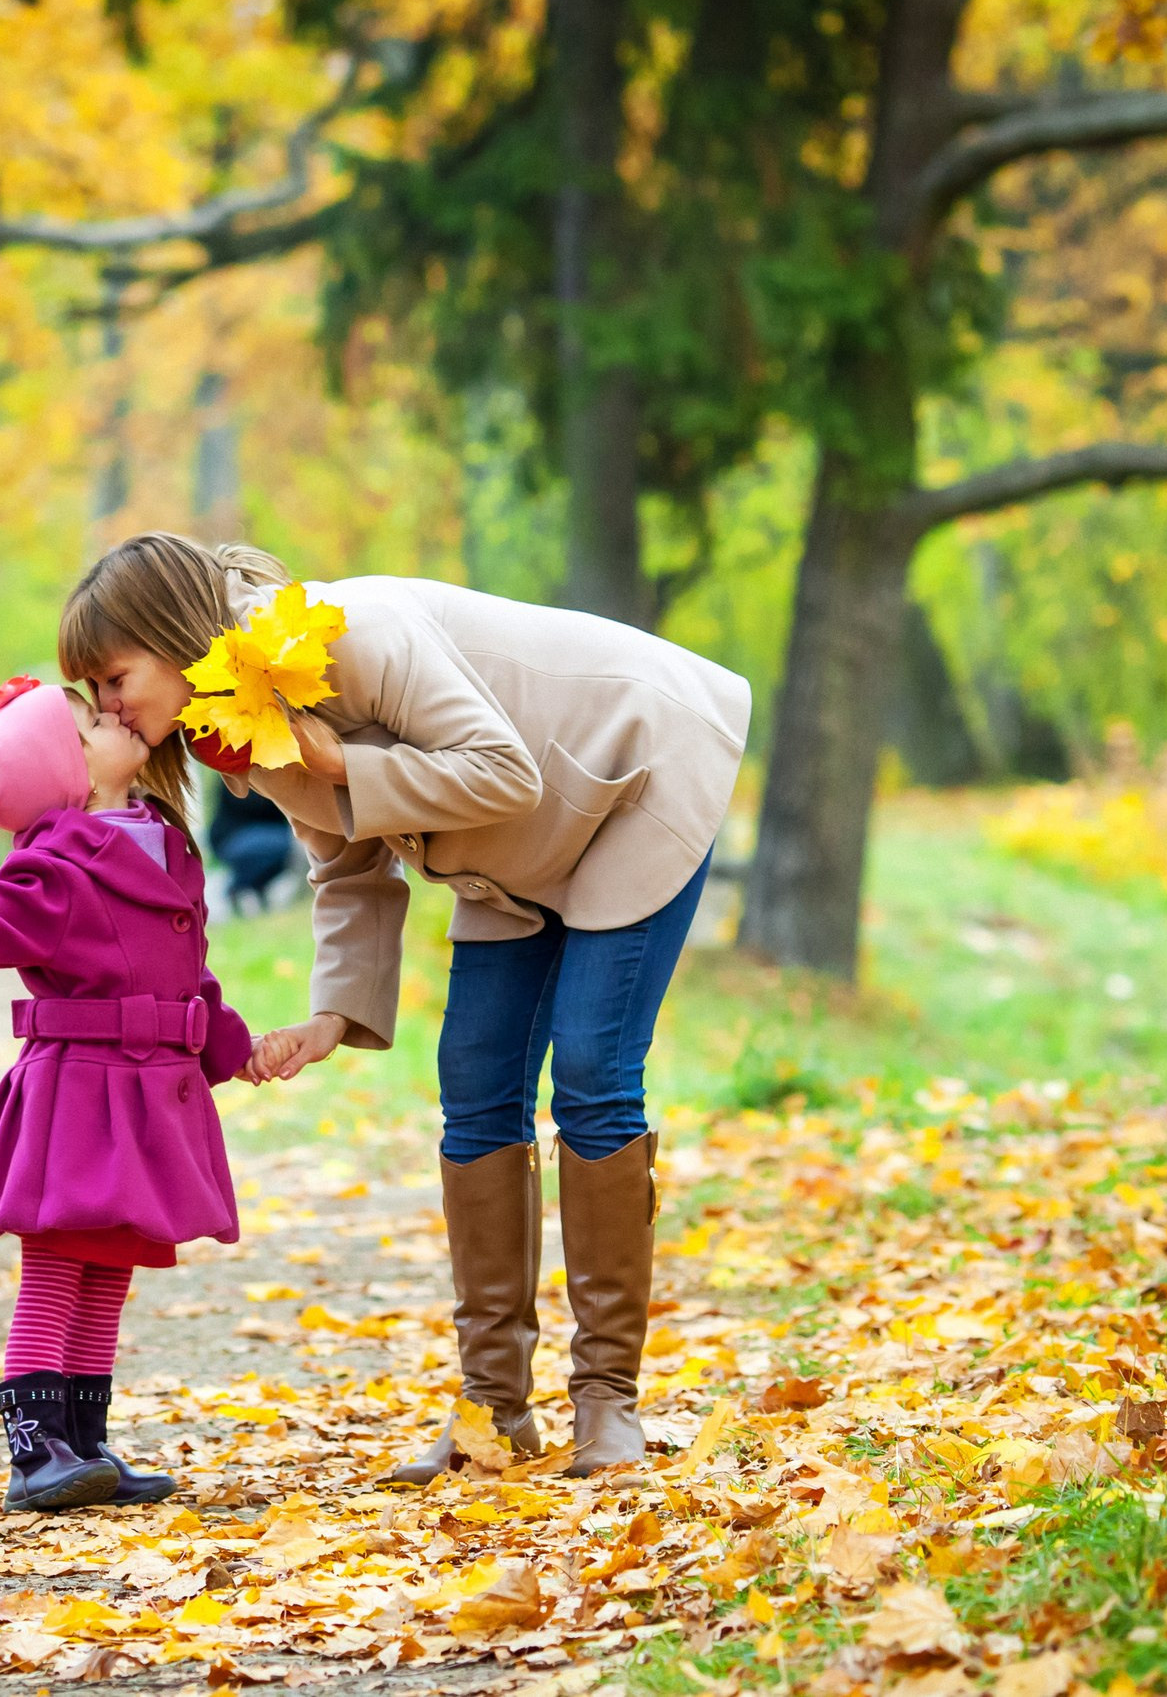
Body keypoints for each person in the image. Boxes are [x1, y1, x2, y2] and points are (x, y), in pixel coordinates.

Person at [57, 533, 750, 1479]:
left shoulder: (347, 637)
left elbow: (504, 769)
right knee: (472, 1080)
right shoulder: (239, 721)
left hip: (633, 770)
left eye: (111, 677)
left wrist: (338, 762)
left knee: (591, 1071)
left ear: (169, 636)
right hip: (511, 850)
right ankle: (494, 1409)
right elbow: (345, 863)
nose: (106, 707)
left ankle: (606, 1400)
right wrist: (331, 1014)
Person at [0, 677, 263, 1511]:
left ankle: (83, 1438)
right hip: (82, 1088)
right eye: (92, 719)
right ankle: (33, 1447)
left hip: (152, 1087)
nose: (114, 712)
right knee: (58, 1258)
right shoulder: (60, 856)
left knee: (114, 1259)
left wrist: (232, 1046)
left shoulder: (161, 834)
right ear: (72, 771)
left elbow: (188, 975)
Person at [207, 782, 297, 914]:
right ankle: (238, 886)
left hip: (256, 834)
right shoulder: (243, 771)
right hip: (234, 837)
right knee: (288, 843)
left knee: (288, 844)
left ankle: (250, 888)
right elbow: (255, 804)